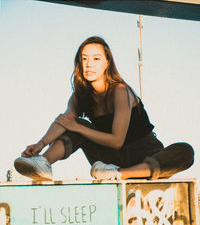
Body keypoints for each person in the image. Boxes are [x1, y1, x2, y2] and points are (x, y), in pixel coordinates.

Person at [14, 36, 194, 184]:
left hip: (144, 155)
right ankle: (44, 163)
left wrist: (77, 126)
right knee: (75, 124)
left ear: (107, 62)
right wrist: (40, 144)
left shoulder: (119, 90)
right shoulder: (79, 96)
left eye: (96, 58)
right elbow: (65, 121)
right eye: (84, 59)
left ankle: (121, 174)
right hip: (108, 160)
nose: (89, 64)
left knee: (185, 151)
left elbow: (117, 140)